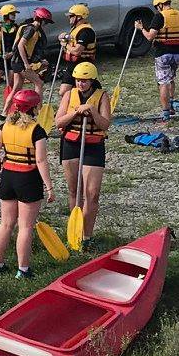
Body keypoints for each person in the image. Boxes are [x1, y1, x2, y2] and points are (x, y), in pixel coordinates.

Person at [0, 88, 52, 277]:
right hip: (28, 177)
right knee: (25, 226)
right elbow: (41, 161)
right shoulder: (37, 131)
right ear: (33, 108)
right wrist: (49, 187)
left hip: (8, 176)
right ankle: (23, 270)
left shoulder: (5, 126)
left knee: (6, 224)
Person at [55, 60, 111, 241]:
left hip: (93, 146)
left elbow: (105, 124)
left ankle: (87, 236)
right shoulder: (69, 95)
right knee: (74, 191)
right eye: (78, 80)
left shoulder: (102, 96)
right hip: (71, 144)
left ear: (92, 81)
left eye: (84, 81)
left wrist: (93, 111)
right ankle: (75, 233)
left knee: (92, 193)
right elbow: (58, 122)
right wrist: (76, 112)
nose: (81, 84)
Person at [138, 0, 179, 118]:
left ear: (160, 5)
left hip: (163, 54)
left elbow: (150, 37)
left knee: (163, 82)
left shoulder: (159, 17)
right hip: (178, 54)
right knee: (171, 78)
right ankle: (171, 103)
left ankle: (166, 112)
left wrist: (141, 28)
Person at [56, 3, 97, 90]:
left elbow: (77, 51)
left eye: (71, 16)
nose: (69, 18)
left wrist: (65, 45)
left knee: (83, 90)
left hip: (83, 65)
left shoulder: (86, 32)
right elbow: (73, 40)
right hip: (72, 65)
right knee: (63, 92)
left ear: (79, 17)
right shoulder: (75, 28)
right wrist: (64, 37)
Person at [0, 3, 26, 96]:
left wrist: (11, 54)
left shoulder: (17, 28)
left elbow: (18, 44)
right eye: (12, 14)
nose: (14, 16)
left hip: (12, 57)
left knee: (11, 83)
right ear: (6, 15)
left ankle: (11, 103)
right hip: (0, 57)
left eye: (14, 14)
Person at [20, 6, 56, 92]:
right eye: (46, 22)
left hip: (19, 62)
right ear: (40, 19)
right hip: (20, 63)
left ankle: (11, 105)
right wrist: (26, 64)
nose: (46, 25)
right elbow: (20, 45)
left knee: (17, 87)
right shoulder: (31, 29)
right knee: (39, 83)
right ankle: (37, 106)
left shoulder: (36, 31)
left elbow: (32, 49)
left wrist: (40, 60)